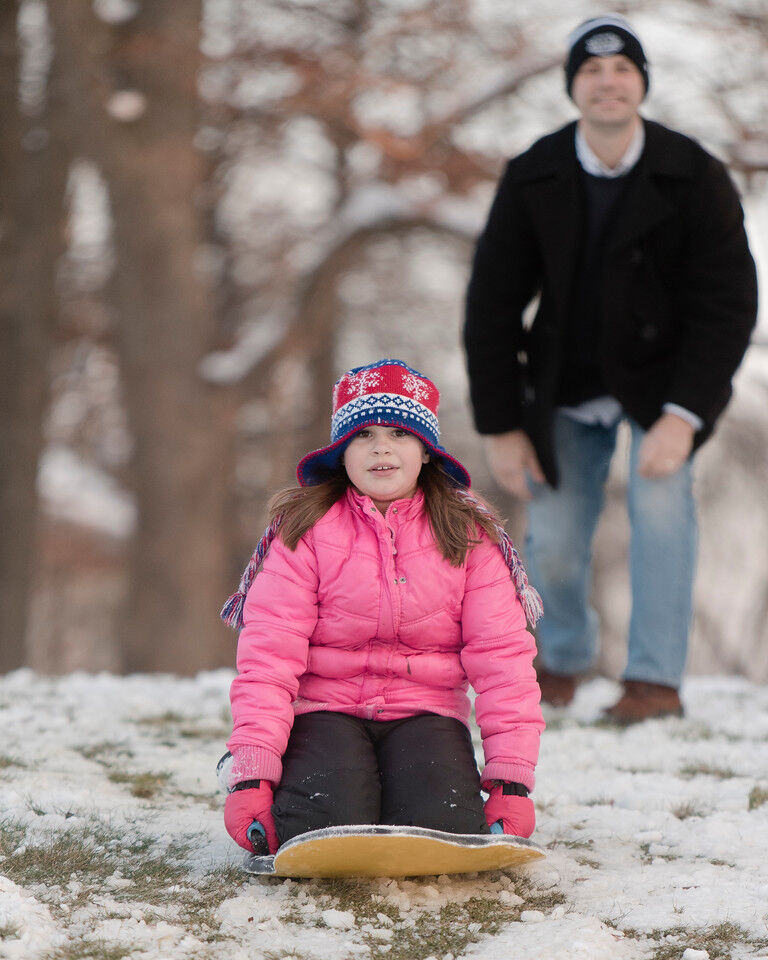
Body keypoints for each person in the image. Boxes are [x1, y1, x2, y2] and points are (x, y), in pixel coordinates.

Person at [464, 15, 758, 722]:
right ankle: (560, 662)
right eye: (591, 72)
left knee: (663, 511)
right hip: (563, 383)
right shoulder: (534, 173)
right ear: (573, 87)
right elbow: (493, 305)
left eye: (622, 70)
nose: (607, 82)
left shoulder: (694, 175)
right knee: (556, 538)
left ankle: (653, 684)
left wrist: (684, 417)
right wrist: (502, 426)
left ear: (641, 85)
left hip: (663, 386)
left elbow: (728, 304)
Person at [219, 359, 545, 855]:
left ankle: (418, 799)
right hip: (325, 708)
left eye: (399, 432)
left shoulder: (468, 536)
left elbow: (503, 663)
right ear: (342, 453)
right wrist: (252, 775)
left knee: (442, 826)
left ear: (427, 451)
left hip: (426, 711)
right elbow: (269, 657)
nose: (381, 447)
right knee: (324, 821)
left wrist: (510, 783)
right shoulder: (305, 530)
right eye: (363, 434)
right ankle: (315, 798)